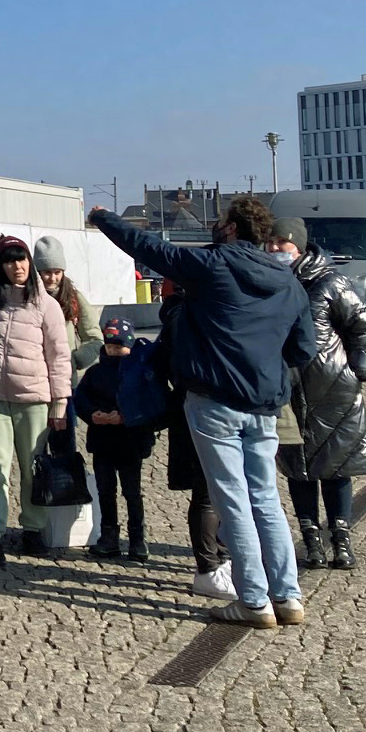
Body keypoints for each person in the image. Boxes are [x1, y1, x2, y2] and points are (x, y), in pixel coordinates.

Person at [90, 196, 315, 628]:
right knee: (266, 499)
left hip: (214, 401)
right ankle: (288, 596)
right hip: (264, 403)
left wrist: (104, 219)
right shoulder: (288, 282)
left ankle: (253, 601)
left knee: (233, 501)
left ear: (231, 227)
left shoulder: (213, 265)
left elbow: (150, 248)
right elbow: (303, 348)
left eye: (221, 220)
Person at [266, 218, 366, 572]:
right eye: (269, 243)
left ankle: (341, 538)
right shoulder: (268, 282)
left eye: (281, 243)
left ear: (298, 245)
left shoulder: (330, 282)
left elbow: (365, 330)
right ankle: (310, 538)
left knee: (336, 465)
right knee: (298, 468)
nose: (273, 249)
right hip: (286, 387)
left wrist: (358, 371)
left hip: (333, 389)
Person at [0, 236, 73, 565]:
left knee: (33, 468)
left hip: (34, 400)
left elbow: (59, 358)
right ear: (0, 267)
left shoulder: (47, 305)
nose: (19, 267)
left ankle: (33, 529)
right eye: (11, 261)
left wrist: (59, 403)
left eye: (23, 259)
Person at [156, 287, 233, 597]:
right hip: (197, 410)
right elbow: (178, 366)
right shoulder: (182, 317)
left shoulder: (188, 314)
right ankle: (208, 566)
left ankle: (222, 558)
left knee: (222, 492)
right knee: (206, 493)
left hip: (212, 408)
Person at [74, 316, 158, 560]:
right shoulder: (95, 372)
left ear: (129, 347)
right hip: (102, 441)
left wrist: (125, 416)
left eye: (119, 347)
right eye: (110, 347)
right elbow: (81, 399)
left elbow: (147, 405)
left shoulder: (139, 373)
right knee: (105, 490)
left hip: (131, 441)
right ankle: (108, 536)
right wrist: (93, 414)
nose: (115, 351)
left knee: (132, 492)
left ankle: (137, 539)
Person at [34, 236, 103, 378]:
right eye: (47, 272)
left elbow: (95, 338)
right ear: (37, 272)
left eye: (57, 272)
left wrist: (76, 360)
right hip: (34, 379)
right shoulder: (25, 297)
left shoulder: (73, 297)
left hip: (66, 379)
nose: (52, 278)